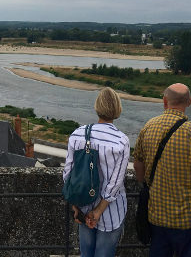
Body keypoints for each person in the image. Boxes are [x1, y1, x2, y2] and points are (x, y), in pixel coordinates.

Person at [132, 83, 191, 257]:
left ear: (165, 102)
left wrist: (144, 182)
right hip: (189, 218)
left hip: (157, 215)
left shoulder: (148, 127)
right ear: (190, 102)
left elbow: (138, 164)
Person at [65, 88, 130, 257]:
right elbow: (115, 183)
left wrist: (76, 206)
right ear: (117, 108)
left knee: (86, 254)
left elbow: (68, 175)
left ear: (97, 107)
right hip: (111, 211)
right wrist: (99, 211)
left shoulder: (77, 134)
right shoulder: (121, 141)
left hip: (83, 205)